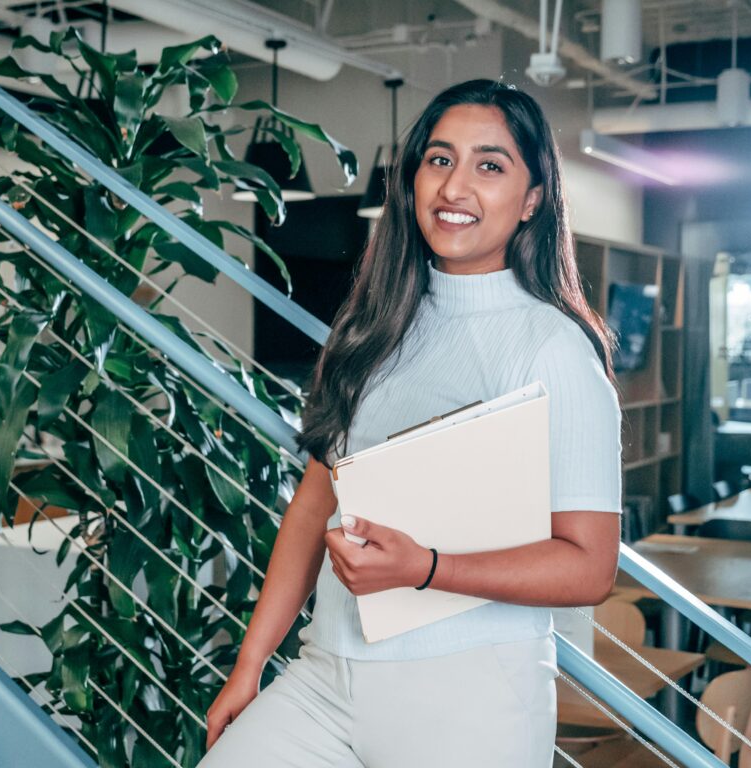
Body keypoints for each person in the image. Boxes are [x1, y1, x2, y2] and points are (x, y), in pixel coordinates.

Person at [199, 78, 622, 767]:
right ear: (413, 179)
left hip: (469, 693)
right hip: (326, 675)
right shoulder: (371, 329)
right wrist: (250, 665)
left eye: (490, 166)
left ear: (533, 200)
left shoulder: (553, 348)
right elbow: (312, 507)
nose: (456, 187)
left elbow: (589, 568)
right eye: (438, 159)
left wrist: (425, 568)